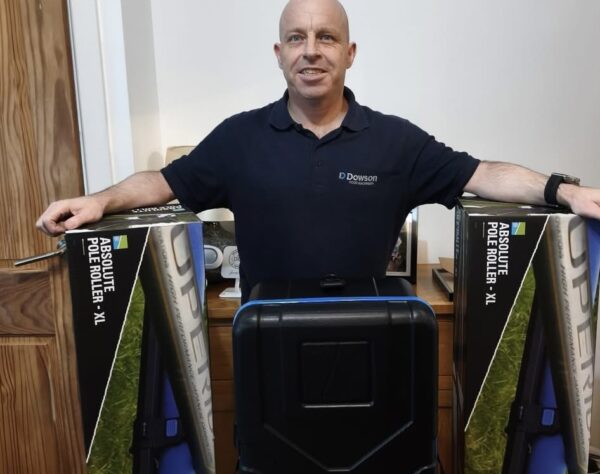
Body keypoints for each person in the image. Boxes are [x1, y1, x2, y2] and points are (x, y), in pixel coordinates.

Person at [36, 0, 600, 301]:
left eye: (326, 37)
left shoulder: (396, 141)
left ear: (349, 52)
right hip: (265, 341)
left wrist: (565, 191)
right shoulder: (238, 138)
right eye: (297, 38)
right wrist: (98, 201)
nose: (311, 51)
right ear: (278, 53)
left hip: (369, 339)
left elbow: (483, 174)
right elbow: (162, 184)